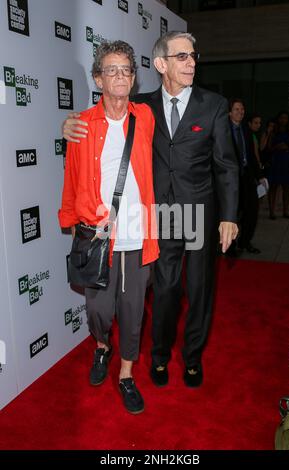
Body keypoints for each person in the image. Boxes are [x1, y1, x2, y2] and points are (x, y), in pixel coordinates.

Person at [62, 31, 239, 389]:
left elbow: (227, 165)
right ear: (161, 64)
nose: (192, 62)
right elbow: (102, 117)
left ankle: (192, 357)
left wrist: (229, 216)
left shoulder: (214, 105)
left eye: (193, 56)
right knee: (166, 289)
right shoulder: (142, 106)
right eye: (182, 57)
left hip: (198, 213)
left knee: (200, 288)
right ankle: (159, 356)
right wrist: (67, 125)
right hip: (161, 215)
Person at [58, 40, 159, 414]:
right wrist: (73, 227)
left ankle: (127, 374)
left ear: (133, 80)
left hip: (138, 235)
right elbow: (70, 178)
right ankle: (103, 347)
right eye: (110, 70)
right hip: (97, 236)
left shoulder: (146, 117)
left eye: (126, 70)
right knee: (99, 309)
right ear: (98, 78)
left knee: (133, 310)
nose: (119, 76)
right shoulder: (80, 125)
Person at [229, 98, 263, 255]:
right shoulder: (223, 130)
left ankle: (245, 242)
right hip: (230, 181)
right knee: (232, 214)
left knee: (252, 211)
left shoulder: (246, 130)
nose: (240, 112)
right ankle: (230, 246)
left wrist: (260, 176)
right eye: (236, 109)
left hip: (247, 177)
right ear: (229, 112)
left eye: (242, 109)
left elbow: (251, 156)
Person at [267, 112, 289, 220]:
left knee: (286, 187)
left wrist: (288, 148)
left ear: (288, 120)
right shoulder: (274, 132)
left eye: (286, 118)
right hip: (276, 161)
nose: (283, 120)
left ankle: (285, 211)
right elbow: (269, 148)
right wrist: (277, 147)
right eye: (281, 118)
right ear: (278, 119)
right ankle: (271, 212)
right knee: (273, 187)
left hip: (287, 162)